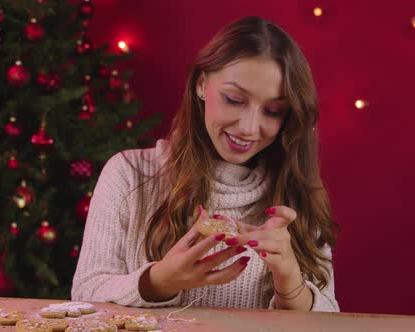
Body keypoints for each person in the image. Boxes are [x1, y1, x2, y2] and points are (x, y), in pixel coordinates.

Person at [71, 16, 339, 312]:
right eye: (234, 99)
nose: (250, 128)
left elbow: (330, 313)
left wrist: (289, 282)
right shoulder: (130, 174)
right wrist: (160, 281)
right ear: (201, 84)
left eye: (273, 111)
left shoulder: (296, 195)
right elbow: (84, 294)